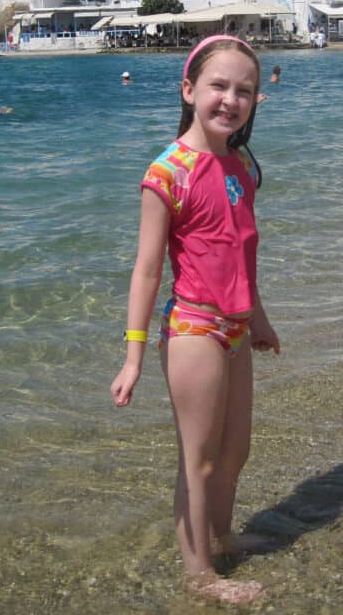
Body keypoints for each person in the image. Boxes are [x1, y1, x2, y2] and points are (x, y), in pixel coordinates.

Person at [110, 35, 279, 605]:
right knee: (199, 459)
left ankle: (223, 537)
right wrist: (133, 356)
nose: (230, 99)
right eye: (218, 86)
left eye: (244, 91)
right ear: (188, 90)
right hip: (193, 329)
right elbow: (146, 272)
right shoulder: (167, 172)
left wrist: (259, 319)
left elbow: (239, 253)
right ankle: (199, 575)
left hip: (234, 327)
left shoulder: (241, 164)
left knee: (236, 451)